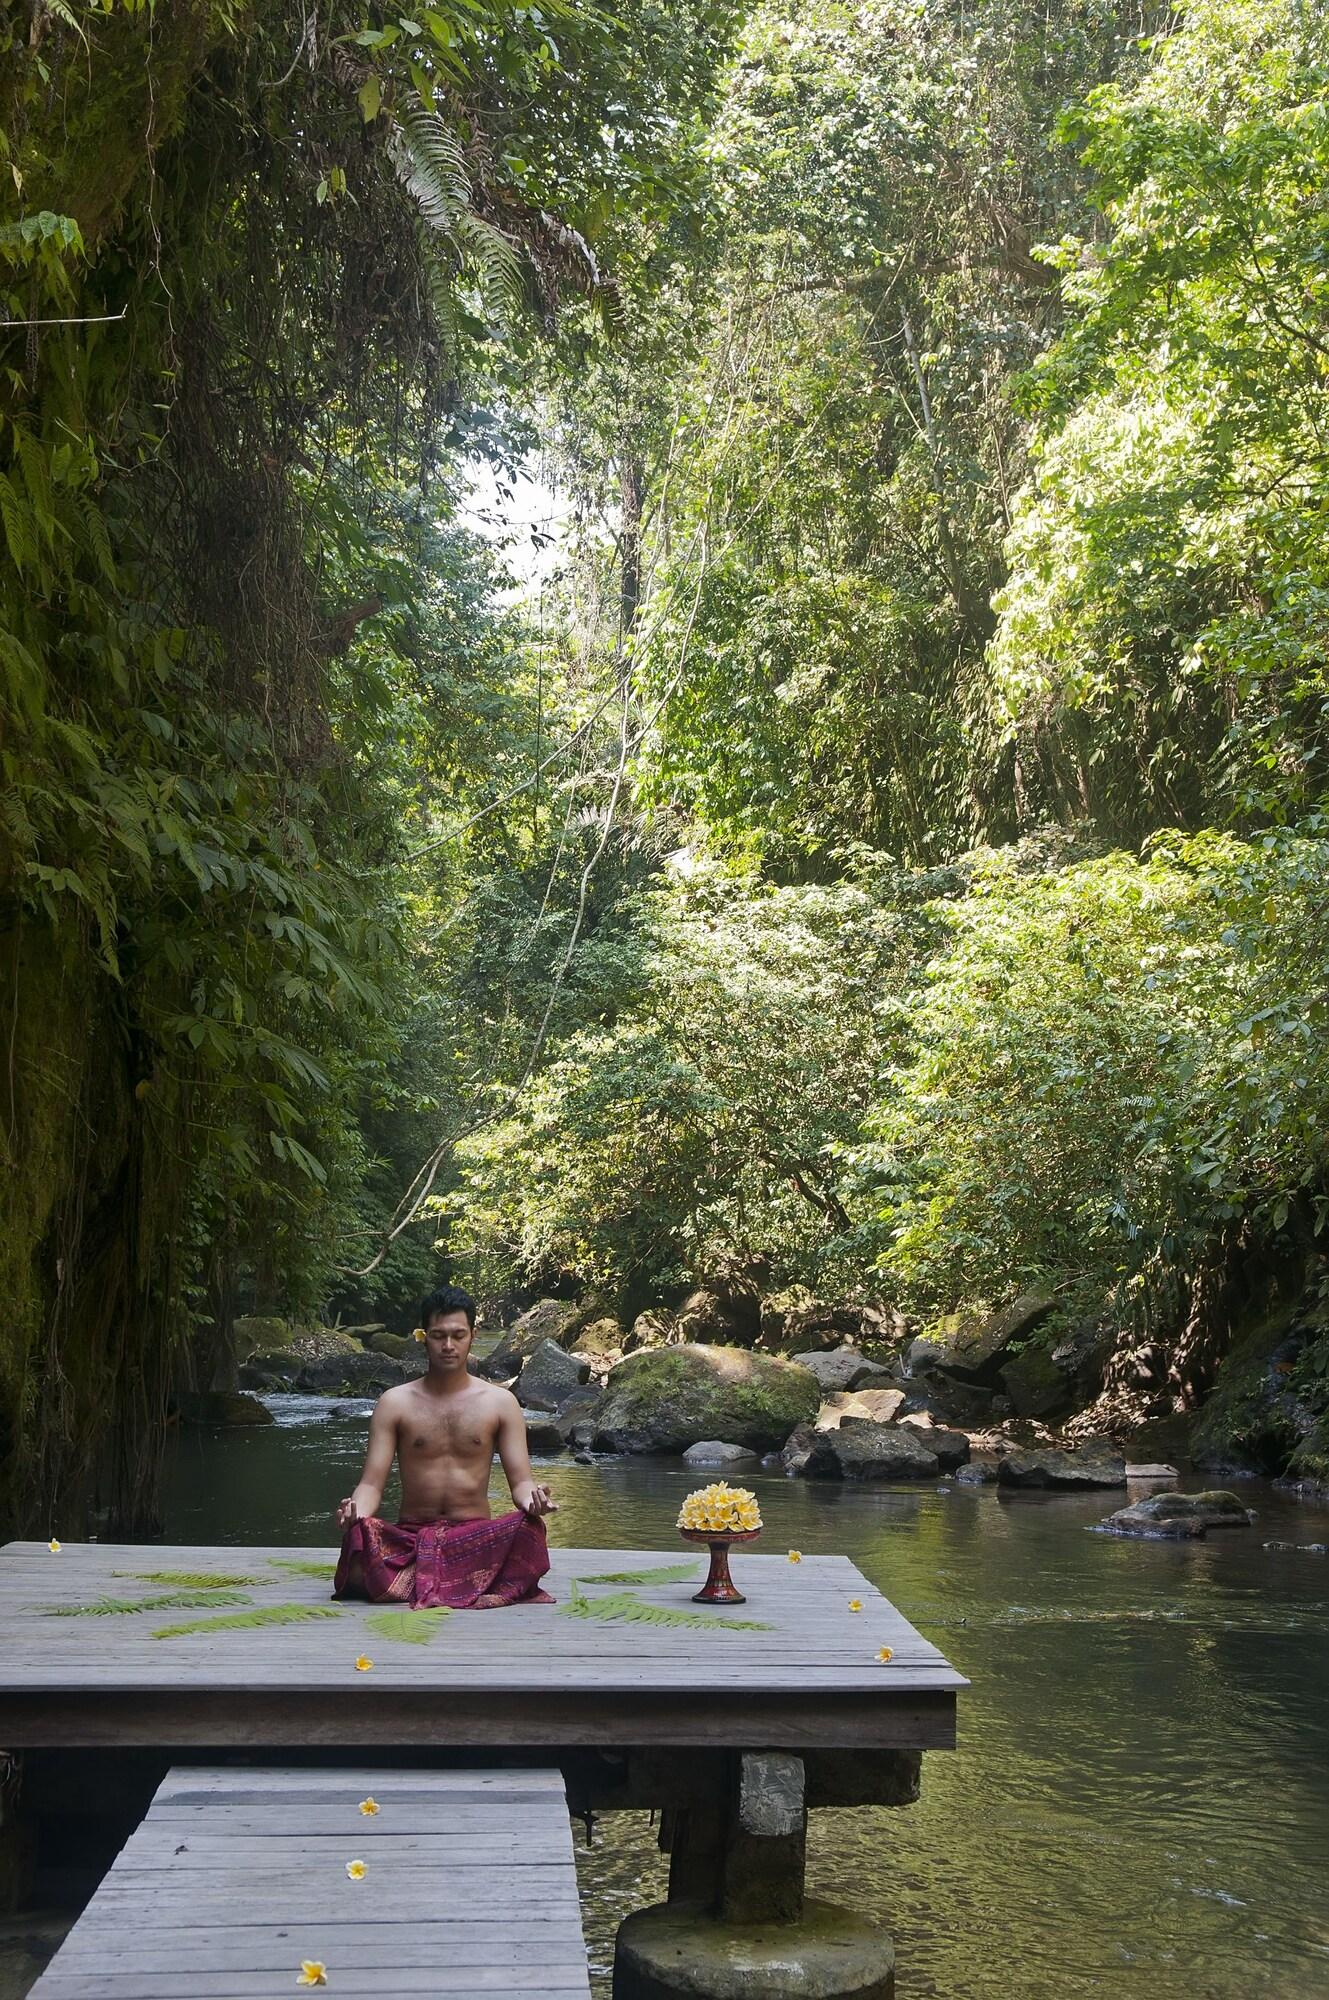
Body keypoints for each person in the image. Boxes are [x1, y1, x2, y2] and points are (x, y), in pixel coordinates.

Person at [333, 1284, 556, 1609]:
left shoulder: (501, 1403)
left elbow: (521, 1483)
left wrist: (533, 1502)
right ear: (423, 1336)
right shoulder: (394, 1403)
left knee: (530, 1531)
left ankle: (413, 1583)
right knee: (358, 1538)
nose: (448, 1345)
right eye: (438, 1335)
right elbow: (370, 1484)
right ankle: (467, 1583)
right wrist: (357, 1512)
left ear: (473, 1335)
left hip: (474, 1537)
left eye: (458, 1335)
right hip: (410, 1537)